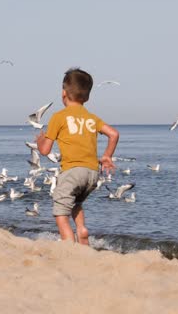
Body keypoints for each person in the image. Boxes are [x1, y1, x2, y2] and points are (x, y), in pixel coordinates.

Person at [36, 68, 120, 245]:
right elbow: (113, 134)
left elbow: (44, 151)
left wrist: (39, 141)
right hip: (92, 173)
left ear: (63, 93)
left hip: (72, 172)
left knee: (61, 212)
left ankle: (69, 246)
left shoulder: (59, 117)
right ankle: (82, 230)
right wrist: (107, 156)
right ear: (87, 97)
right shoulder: (92, 118)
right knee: (75, 203)